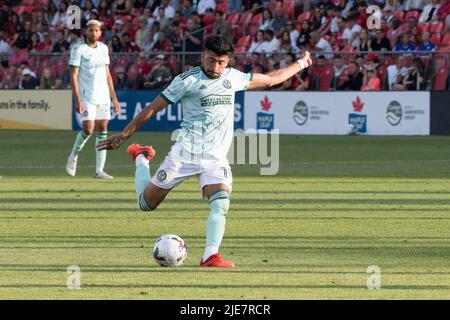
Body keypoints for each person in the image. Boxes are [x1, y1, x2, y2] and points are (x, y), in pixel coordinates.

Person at [97, 35, 312, 268]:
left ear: (228, 61)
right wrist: (124, 135)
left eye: (221, 62)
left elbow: (271, 79)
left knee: (221, 202)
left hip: (215, 158)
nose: (215, 67)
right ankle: (141, 157)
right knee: (146, 204)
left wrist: (301, 63)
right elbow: (152, 108)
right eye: (210, 61)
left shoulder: (233, 78)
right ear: (203, 57)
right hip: (184, 155)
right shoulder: (186, 81)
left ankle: (210, 256)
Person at [66, 20, 120, 179]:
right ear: (86, 31)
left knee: (103, 128)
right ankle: (73, 156)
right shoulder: (78, 49)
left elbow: (108, 75)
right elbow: (73, 76)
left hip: (103, 95)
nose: (94, 33)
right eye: (91, 30)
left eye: (97, 30)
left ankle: (99, 170)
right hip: (86, 95)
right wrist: (78, 100)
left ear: (100, 32)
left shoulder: (104, 48)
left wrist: (114, 98)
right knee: (88, 129)